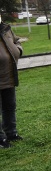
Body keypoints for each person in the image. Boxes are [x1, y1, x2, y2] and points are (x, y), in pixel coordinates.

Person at [0, 15, 23, 149]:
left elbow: (16, 41)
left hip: (8, 75)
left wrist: (18, 50)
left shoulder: (6, 28)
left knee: (10, 106)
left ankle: (11, 133)